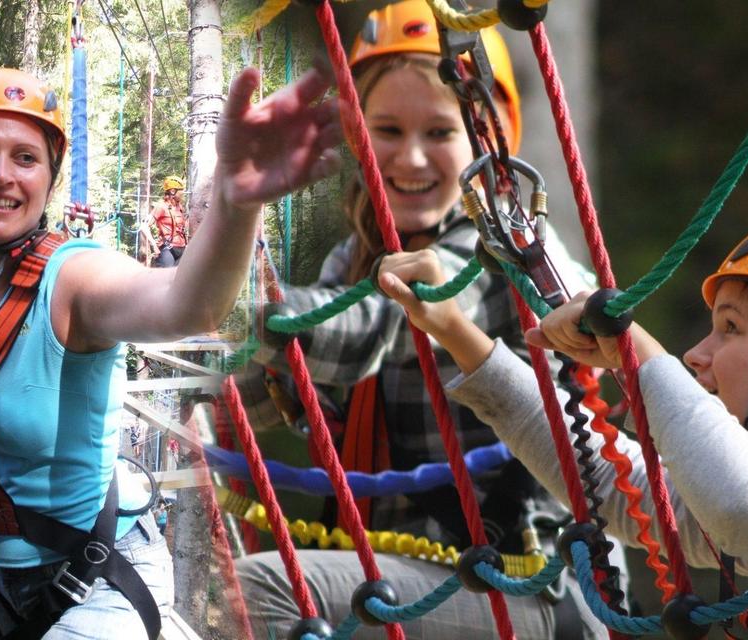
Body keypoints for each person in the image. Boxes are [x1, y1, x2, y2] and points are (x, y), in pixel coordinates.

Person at [0, 66, 341, 639]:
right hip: (10, 584)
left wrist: (235, 198)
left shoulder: (74, 278)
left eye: (25, 158)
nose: (1, 174)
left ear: (49, 178)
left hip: (104, 579)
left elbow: (185, 304)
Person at [235, 2, 608, 638]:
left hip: (525, 582)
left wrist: (237, 304)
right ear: (357, 135)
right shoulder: (354, 257)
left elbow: (367, 334)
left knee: (259, 589)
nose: (410, 159)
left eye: (438, 133)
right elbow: (297, 394)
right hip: (421, 574)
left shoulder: (500, 249)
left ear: (486, 141)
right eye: (388, 130)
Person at [376, 209, 748, 638]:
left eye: (730, 329)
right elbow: (613, 482)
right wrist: (453, 329)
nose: (696, 355)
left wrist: (641, 352)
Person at [141, 176, 189, 267]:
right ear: (172, 191)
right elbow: (144, 227)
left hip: (182, 249)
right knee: (167, 278)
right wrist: (154, 246)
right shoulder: (161, 207)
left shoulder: (180, 207)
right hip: (167, 249)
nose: (183, 193)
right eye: (181, 190)